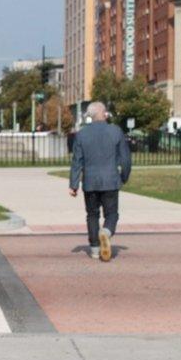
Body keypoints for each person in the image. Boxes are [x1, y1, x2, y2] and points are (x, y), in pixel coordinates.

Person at [68, 101, 132, 262]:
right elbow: (125, 159)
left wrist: (73, 184)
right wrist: (124, 176)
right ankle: (107, 231)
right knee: (112, 214)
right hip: (110, 180)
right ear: (103, 113)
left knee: (92, 215)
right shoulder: (115, 131)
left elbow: (77, 161)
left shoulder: (81, 134)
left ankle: (95, 249)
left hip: (90, 181)